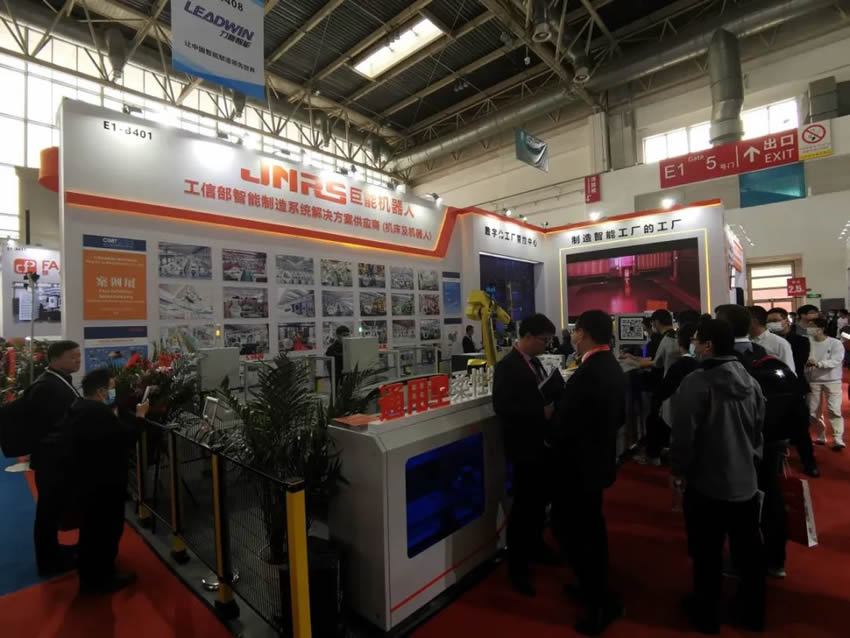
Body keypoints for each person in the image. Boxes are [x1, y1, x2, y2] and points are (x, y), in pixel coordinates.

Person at [672, 318, 766, 634]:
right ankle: (752, 613)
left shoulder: (697, 382)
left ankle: (706, 614)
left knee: (706, 554)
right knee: (748, 554)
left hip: (707, 482)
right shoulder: (750, 380)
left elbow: (684, 435)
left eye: (697, 340)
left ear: (708, 345)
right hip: (746, 481)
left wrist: (679, 470)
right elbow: (758, 430)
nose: (694, 345)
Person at [550, 310, 626, 636]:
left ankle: (600, 602)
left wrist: (551, 418)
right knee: (589, 529)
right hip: (595, 462)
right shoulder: (610, 367)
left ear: (583, 333)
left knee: (577, 533)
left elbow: (565, 425)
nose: (572, 336)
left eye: (575, 331)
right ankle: (592, 588)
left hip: (578, 468)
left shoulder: (589, 373)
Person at [62, 368, 149, 593]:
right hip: (103, 484)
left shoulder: (79, 407)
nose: (113, 392)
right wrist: (140, 417)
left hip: (87, 482)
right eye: (111, 388)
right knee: (105, 531)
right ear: (101, 391)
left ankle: (92, 573)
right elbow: (125, 439)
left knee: (91, 531)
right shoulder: (98, 414)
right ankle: (101, 578)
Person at [492, 313, 559, 596]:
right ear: (528, 336)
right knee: (523, 508)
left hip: (541, 445)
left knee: (537, 503)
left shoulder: (535, 362)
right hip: (523, 447)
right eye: (543, 340)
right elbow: (502, 406)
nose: (546, 345)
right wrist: (539, 412)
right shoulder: (507, 366)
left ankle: (536, 546)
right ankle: (517, 567)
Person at [28, 340, 82, 577]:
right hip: (52, 461)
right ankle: (48, 561)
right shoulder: (46, 386)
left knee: (51, 510)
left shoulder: (58, 381)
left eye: (79, 356)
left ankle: (53, 552)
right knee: (48, 512)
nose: (78, 361)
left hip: (57, 459)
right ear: (56, 359)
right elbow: (50, 426)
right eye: (73, 357)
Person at [766, 307, 819, 477]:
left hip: (795, 388)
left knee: (801, 429)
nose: (772, 324)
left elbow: (797, 363)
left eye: (775, 320)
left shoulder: (800, 341)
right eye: (769, 321)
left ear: (786, 320)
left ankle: (809, 463)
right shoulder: (766, 341)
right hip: (773, 389)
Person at [806, 317, 845, 451]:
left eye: (812, 326)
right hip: (813, 380)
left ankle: (838, 438)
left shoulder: (835, 343)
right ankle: (821, 435)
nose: (809, 329)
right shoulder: (807, 342)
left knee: (834, 409)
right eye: (808, 326)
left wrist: (818, 364)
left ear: (821, 328)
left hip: (833, 380)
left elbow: (836, 360)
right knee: (814, 411)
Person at [748, 305, 795, 370]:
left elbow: (789, 370)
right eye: (769, 321)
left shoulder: (780, 343)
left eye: (775, 320)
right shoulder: (745, 341)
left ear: (754, 321)